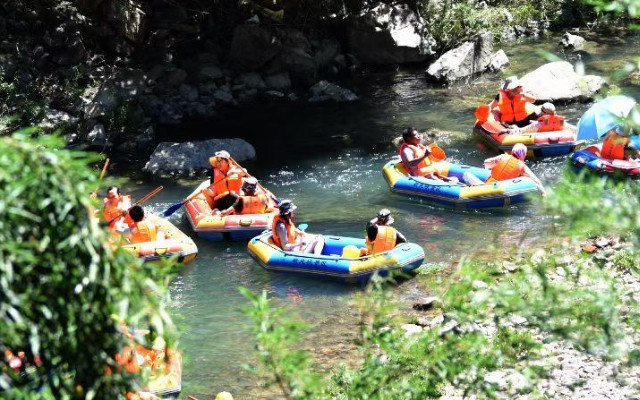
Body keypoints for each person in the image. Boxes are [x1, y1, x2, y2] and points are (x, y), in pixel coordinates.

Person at [479, 143, 546, 196]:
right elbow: (536, 181)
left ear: (513, 151)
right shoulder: (522, 167)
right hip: (501, 190)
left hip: (488, 186)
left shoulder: (502, 157)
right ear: (523, 155)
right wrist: (543, 193)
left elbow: (486, 163)